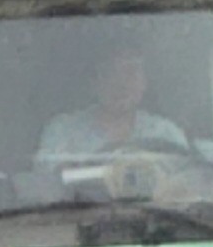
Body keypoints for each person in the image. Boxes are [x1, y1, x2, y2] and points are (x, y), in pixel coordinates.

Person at [36, 46, 190, 167]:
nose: (121, 84)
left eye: (131, 72)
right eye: (109, 73)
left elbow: (185, 189)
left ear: (145, 82)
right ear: (93, 83)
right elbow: (45, 192)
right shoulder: (62, 132)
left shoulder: (166, 134)